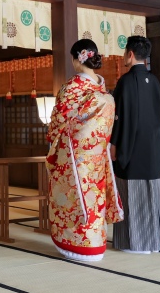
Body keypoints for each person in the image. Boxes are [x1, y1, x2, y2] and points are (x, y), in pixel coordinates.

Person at [46, 38, 123, 262]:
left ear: (76, 58)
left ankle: (76, 245)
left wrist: (53, 139)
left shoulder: (72, 88)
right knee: (93, 199)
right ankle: (95, 244)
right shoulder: (102, 88)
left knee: (72, 199)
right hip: (97, 156)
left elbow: (58, 120)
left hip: (73, 156)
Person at [110, 36, 160, 254]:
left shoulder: (126, 82)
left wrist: (114, 143)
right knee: (152, 192)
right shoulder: (154, 81)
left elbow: (118, 116)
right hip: (152, 148)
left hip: (132, 147)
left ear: (130, 54)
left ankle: (134, 243)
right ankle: (153, 242)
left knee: (132, 193)